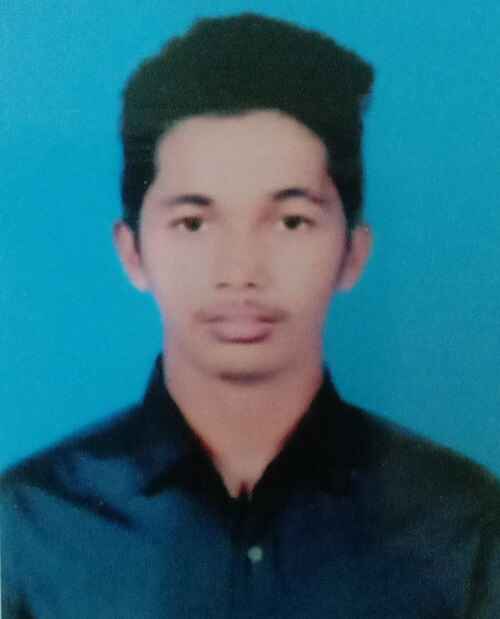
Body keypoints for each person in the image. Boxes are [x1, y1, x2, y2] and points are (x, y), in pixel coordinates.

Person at [1, 13, 499, 619]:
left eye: (291, 221)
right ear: (132, 252)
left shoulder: (463, 525)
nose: (240, 272)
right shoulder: (26, 527)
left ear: (353, 252)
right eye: (193, 223)